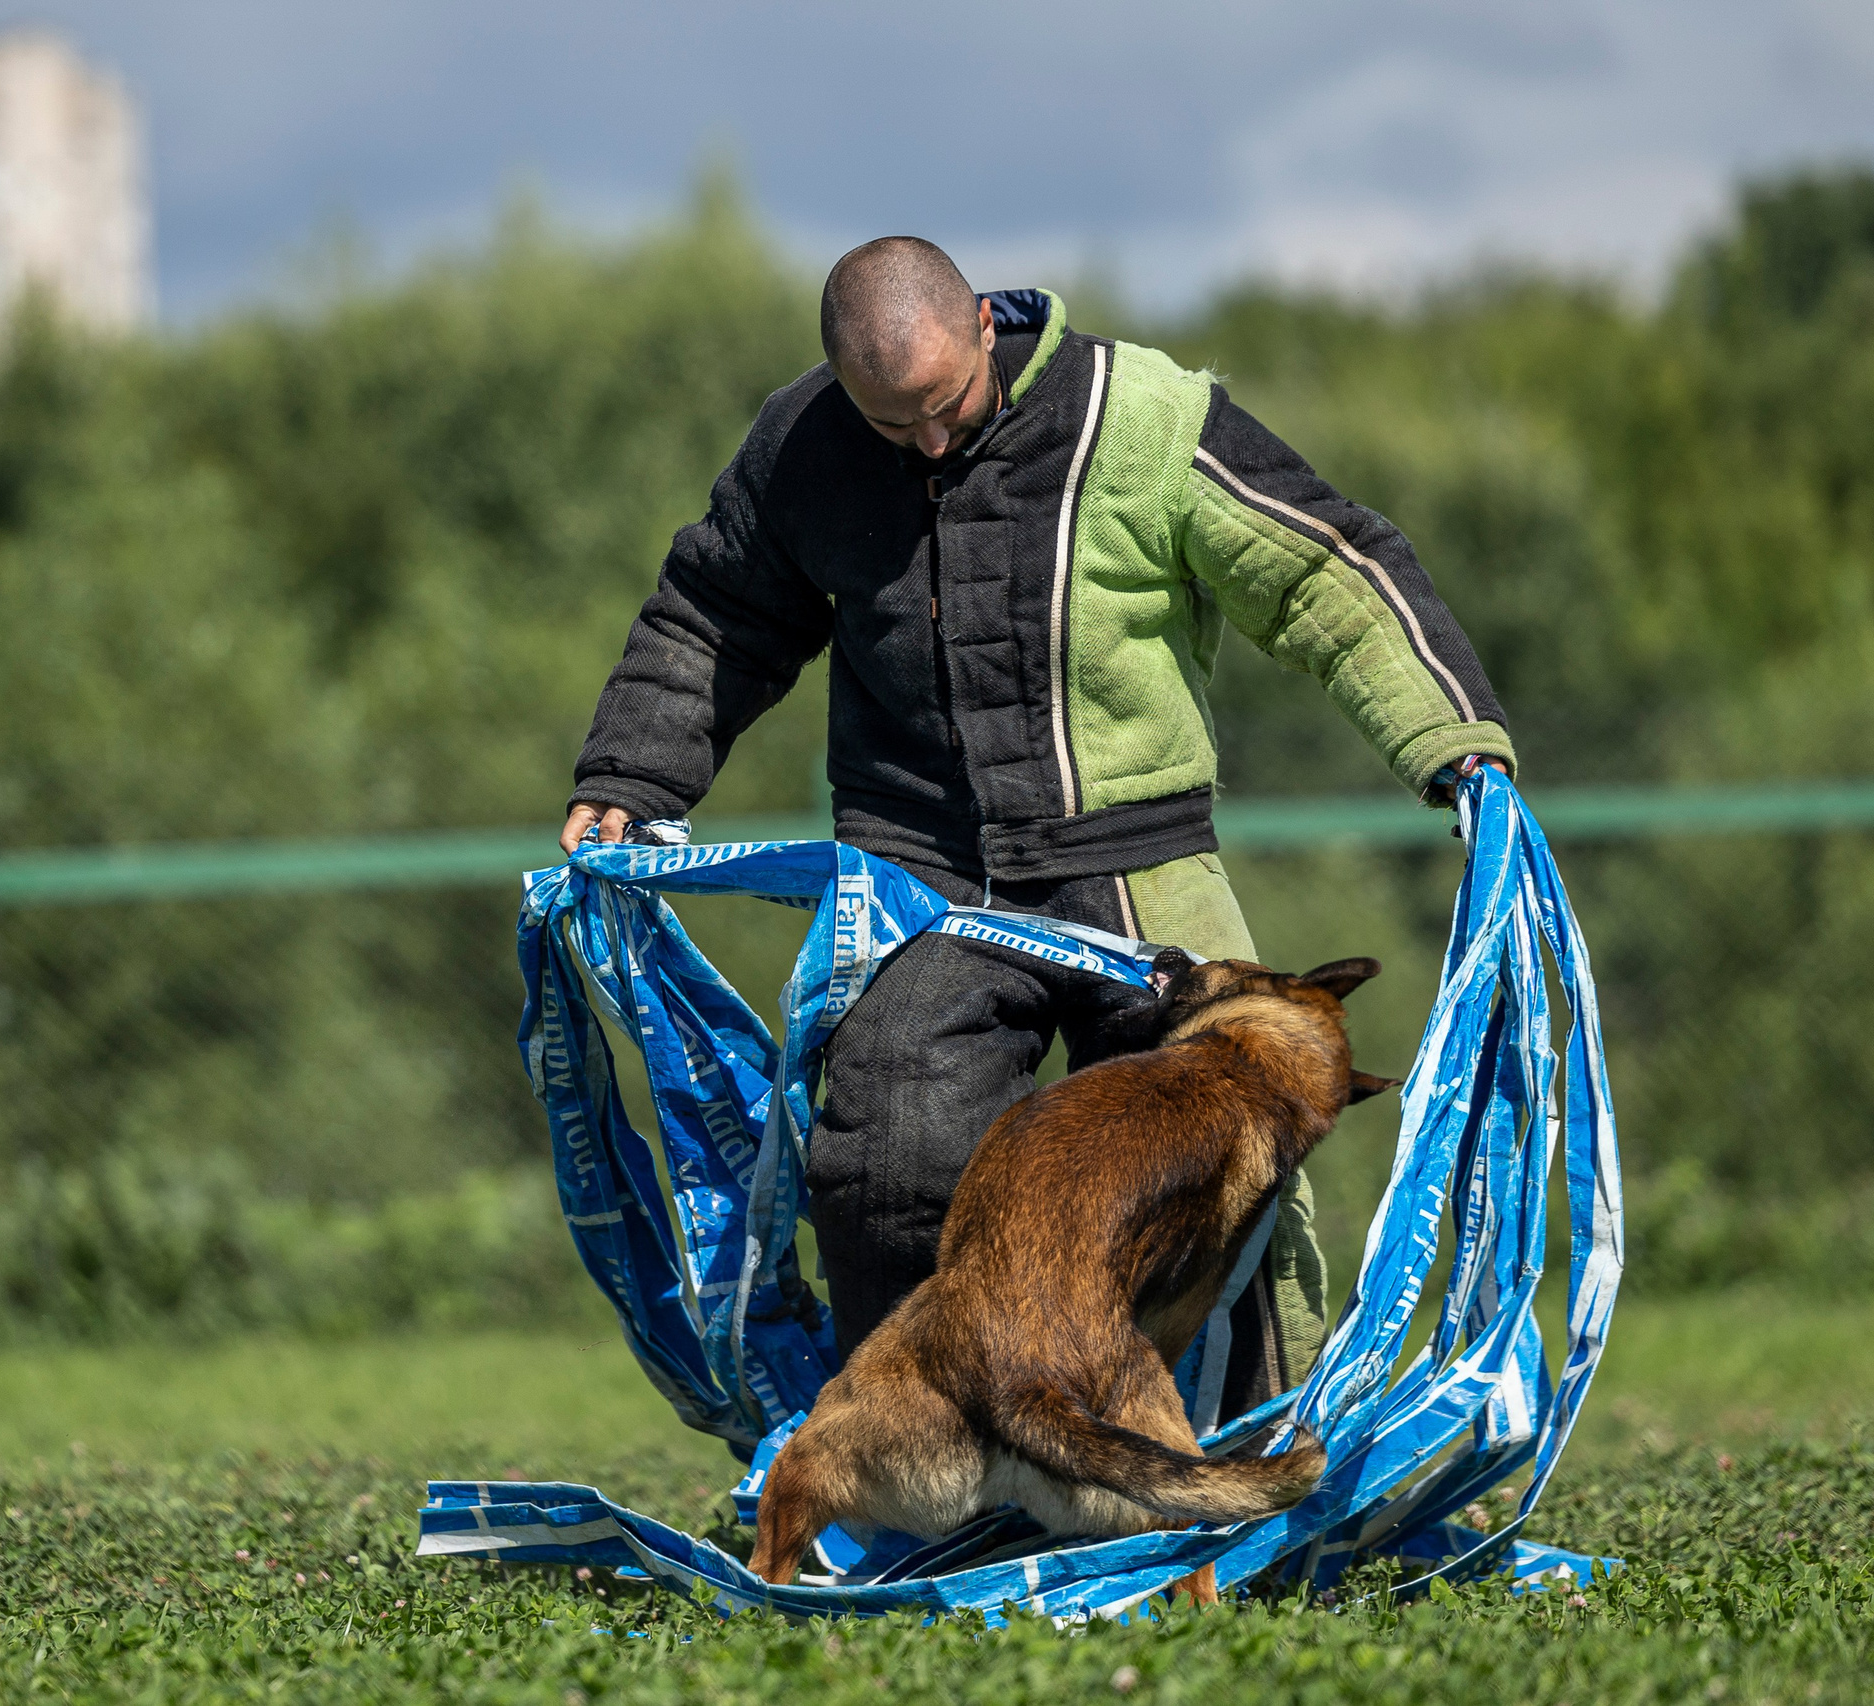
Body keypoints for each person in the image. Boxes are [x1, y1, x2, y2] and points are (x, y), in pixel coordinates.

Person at [562, 237, 1513, 1413]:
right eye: (889, 423)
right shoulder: (801, 446)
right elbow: (713, 616)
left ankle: (1261, 1458)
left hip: (1134, 855)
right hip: (920, 873)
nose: (927, 443)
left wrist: (1453, 743)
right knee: (882, 1157)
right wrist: (630, 776)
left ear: (981, 322)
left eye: (943, 405)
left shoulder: (1144, 416)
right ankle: (934, 1495)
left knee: (1233, 1157)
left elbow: (1323, 571)